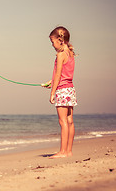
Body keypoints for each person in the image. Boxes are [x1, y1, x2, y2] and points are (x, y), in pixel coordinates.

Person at [42, 26, 77, 158]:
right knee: (70, 121)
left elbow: (58, 75)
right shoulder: (70, 53)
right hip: (70, 89)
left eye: (53, 42)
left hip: (62, 90)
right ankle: (68, 151)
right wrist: (50, 82)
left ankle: (63, 152)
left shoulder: (60, 54)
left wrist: (52, 92)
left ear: (60, 40)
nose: (52, 45)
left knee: (63, 122)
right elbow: (64, 74)